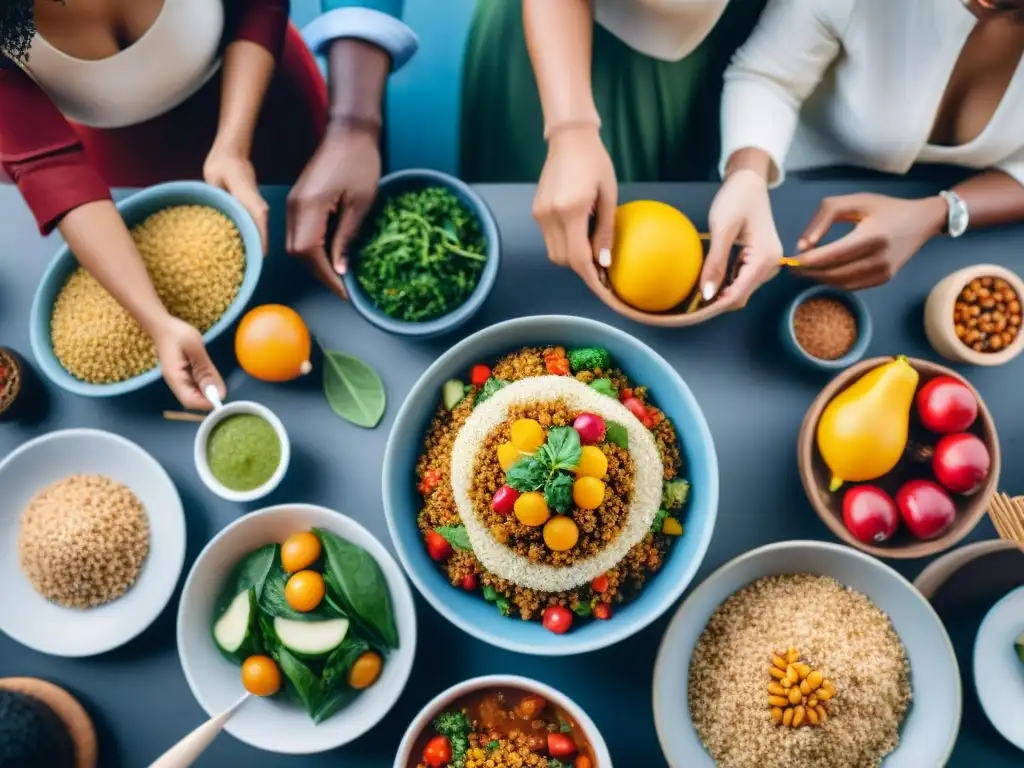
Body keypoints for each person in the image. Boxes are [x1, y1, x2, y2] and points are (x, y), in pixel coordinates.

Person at [285, 0, 764, 301]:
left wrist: (750, 165)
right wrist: (353, 121)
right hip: (550, 48)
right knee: (531, 232)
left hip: (720, 60)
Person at [0, 0, 326, 408]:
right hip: (133, 169)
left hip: (259, 92)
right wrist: (158, 322)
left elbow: (258, 6)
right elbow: (51, 167)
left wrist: (232, 145)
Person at [704, 0, 1024, 311]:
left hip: (970, 238)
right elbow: (769, 78)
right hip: (790, 188)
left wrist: (940, 212)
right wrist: (747, 173)